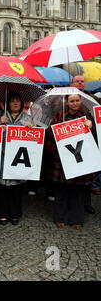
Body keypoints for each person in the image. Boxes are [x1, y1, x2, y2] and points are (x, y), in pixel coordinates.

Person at [46, 94, 95, 229]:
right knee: (61, 191)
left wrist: (91, 126)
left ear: (80, 101)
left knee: (78, 192)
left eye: (77, 100)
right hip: (62, 159)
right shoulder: (59, 116)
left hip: (80, 159)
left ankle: (77, 220)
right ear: (67, 102)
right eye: (72, 101)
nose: (74, 103)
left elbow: (95, 136)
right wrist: (59, 127)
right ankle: (59, 218)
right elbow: (49, 133)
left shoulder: (86, 117)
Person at [0, 92, 33, 226]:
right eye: (12, 101)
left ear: (22, 103)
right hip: (2, 156)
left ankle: (15, 214)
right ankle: (2, 213)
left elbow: (35, 138)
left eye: (18, 101)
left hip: (19, 158)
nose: (15, 103)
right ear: (7, 103)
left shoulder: (28, 117)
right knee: (2, 188)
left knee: (16, 188)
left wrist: (31, 128)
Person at [71, 75, 98, 214]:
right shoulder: (64, 98)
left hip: (88, 141)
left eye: (82, 81)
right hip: (70, 142)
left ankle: (86, 203)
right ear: (72, 83)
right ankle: (71, 203)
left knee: (86, 176)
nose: (80, 83)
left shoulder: (92, 99)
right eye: (77, 81)